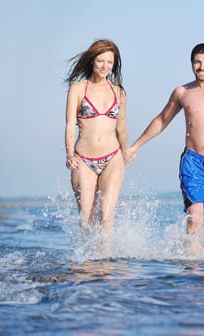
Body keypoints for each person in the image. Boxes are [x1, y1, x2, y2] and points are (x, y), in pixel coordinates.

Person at [126, 43, 204, 237]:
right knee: (195, 219)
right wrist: (135, 146)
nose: (201, 67)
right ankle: (192, 265)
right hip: (193, 162)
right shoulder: (182, 92)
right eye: (197, 62)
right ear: (191, 64)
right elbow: (162, 120)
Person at [64, 39, 128, 239]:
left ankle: (106, 265)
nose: (105, 66)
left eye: (109, 62)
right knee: (86, 219)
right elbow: (69, 124)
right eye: (101, 61)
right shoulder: (78, 88)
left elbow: (122, 125)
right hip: (83, 159)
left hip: (112, 157)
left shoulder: (118, 91)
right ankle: (87, 266)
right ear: (92, 61)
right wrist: (69, 154)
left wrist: (125, 151)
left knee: (106, 218)